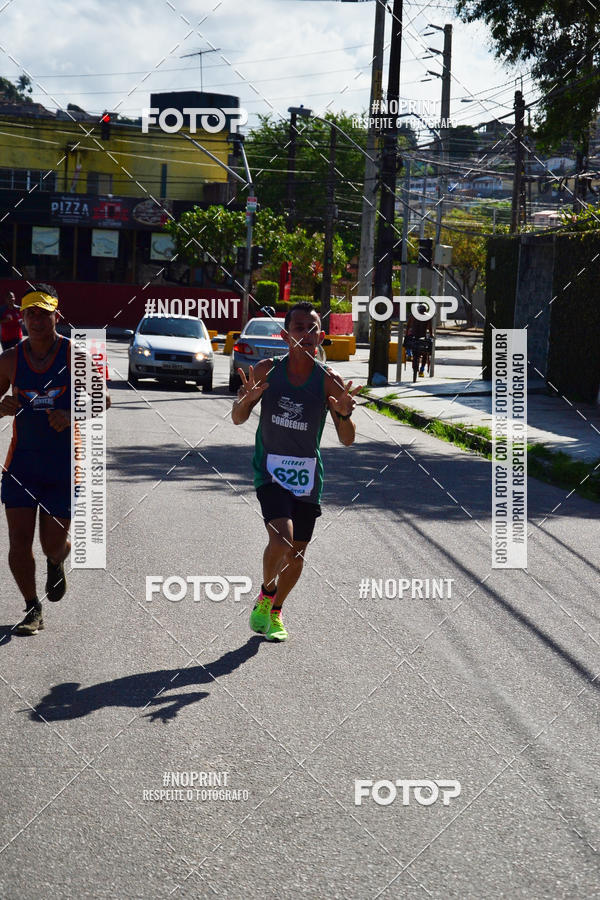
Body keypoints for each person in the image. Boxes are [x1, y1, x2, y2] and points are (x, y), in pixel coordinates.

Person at [231, 300, 360, 642]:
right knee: (282, 538)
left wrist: (345, 415)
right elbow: (238, 418)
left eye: (312, 328)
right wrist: (244, 401)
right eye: (298, 328)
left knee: (298, 554)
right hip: (270, 472)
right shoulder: (266, 371)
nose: (305, 334)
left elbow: (346, 440)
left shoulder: (328, 381)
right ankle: (266, 590)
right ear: (286, 334)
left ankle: (274, 609)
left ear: (321, 336)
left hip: (307, 477)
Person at [0, 284, 111, 635]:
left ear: (56, 316)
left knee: (52, 544)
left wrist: (71, 413)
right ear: (23, 317)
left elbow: (103, 399)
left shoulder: (74, 354)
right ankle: (33, 608)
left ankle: (55, 561)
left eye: (43, 313)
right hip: (21, 465)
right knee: (18, 541)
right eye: (30, 313)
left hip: (62, 466)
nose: (36, 319)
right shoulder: (10, 359)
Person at [404, 302, 433, 381]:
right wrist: (431, 335)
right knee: (425, 353)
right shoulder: (428, 317)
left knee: (408, 344)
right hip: (422, 338)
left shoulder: (413, 315)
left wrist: (406, 334)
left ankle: (409, 354)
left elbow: (408, 326)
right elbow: (430, 329)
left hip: (414, 337)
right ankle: (422, 369)